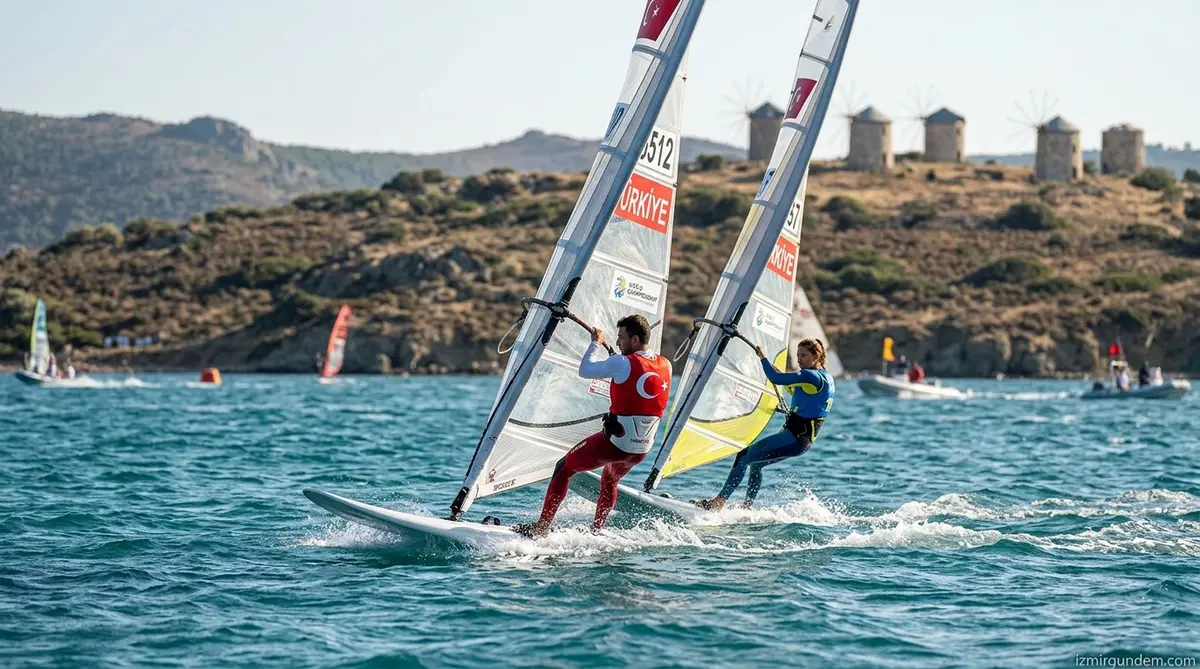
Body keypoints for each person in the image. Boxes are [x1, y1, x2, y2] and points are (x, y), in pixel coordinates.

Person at [513, 314, 671, 538]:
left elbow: (586, 370)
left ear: (635, 340)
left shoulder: (622, 362)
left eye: (621, 338)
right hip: (641, 450)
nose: (617, 343)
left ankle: (542, 527)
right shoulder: (666, 364)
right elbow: (639, 385)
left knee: (563, 468)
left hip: (616, 444)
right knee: (610, 478)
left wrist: (595, 342)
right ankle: (597, 532)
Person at [693, 338, 835, 511]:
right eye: (797, 355)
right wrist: (775, 371)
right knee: (756, 464)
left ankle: (719, 502)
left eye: (803, 355)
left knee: (743, 456)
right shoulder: (825, 378)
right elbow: (788, 384)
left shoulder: (809, 376)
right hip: (802, 441)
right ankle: (747, 507)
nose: (799, 359)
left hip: (794, 437)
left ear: (816, 356)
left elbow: (776, 378)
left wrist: (763, 357)